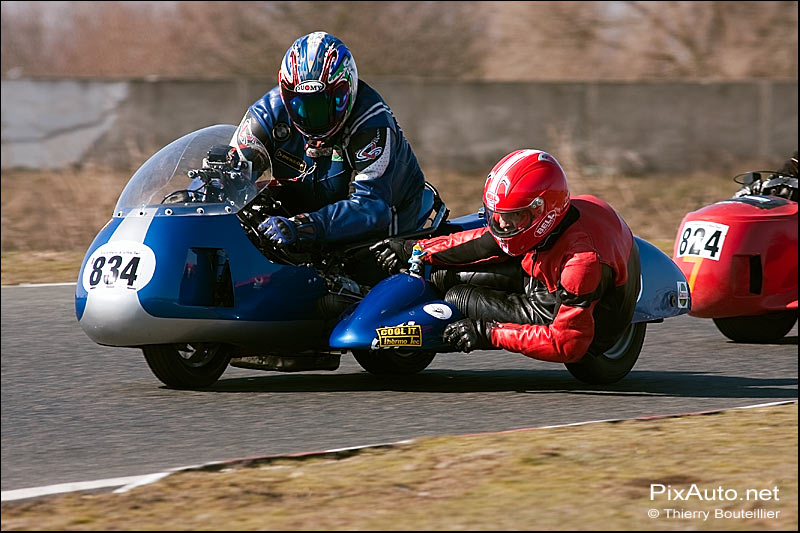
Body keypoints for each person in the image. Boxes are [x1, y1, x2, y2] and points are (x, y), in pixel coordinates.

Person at [371, 149, 641, 363]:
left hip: (584, 326)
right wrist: (414, 249)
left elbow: (568, 345)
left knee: (458, 297)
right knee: (444, 274)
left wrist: (488, 333)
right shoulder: (547, 222)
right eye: (498, 215)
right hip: (544, 275)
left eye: (512, 217)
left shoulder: (581, 264)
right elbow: (484, 241)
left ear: (542, 212)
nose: (502, 224)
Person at [228, 31, 426, 248]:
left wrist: (305, 225)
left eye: (325, 103)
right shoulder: (266, 114)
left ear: (348, 87)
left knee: (374, 272)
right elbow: (229, 173)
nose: (313, 118)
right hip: (302, 213)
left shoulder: (371, 123)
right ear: (286, 94)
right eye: (300, 105)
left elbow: (372, 207)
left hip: (390, 213)